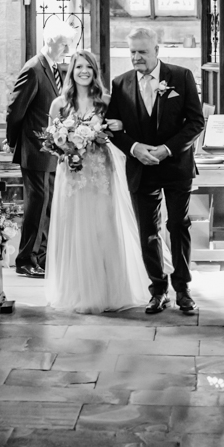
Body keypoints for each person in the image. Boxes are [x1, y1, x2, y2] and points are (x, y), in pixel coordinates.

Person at [106, 26, 205, 314]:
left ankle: (183, 289)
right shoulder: (120, 83)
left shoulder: (181, 76)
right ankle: (157, 289)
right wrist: (135, 148)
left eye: (142, 52)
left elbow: (195, 122)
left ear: (157, 51)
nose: (137, 57)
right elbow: (112, 127)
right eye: (133, 52)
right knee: (148, 231)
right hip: (141, 167)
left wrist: (167, 149)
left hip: (175, 165)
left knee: (178, 226)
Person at [44, 50, 149, 313]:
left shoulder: (106, 102)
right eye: (79, 67)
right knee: (75, 227)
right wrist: (65, 146)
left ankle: (108, 290)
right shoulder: (59, 104)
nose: (83, 71)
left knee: (103, 226)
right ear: (72, 71)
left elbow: (122, 130)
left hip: (101, 170)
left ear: (95, 72)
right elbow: (50, 141)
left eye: (88, 67)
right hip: (72, 173)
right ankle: (78, 290)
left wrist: (117, 125)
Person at [5, 19, 75, 278]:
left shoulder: (52, 68)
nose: (67, 50)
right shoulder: (34, 68)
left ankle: (41, 257)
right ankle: (25, 260)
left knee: (47, 206)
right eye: (64, 44)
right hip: (35, 150)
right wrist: (14, 142)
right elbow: (15, 110)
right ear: (51, 41)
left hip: (49, 152)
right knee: (37, 205)